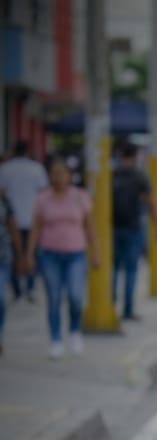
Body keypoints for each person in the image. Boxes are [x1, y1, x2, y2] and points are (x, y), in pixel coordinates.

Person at [26, 155, 100, 358]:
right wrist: (29, 254)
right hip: (50, 253)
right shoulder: (43, 198)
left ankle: (75, 331)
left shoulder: (79, 196)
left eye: (62, 173)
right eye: (54, 174)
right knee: (54, 297)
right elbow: (36, 228)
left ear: (70, 176)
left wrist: (96, 252)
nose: (58, 178)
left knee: (76, 296)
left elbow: (90, 226)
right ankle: (56, 339)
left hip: (76, 253)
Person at [111, 142, 157, 321]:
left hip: (112, 229)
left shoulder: (111, 173)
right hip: (133, 228)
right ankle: (127, 310)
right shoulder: (140, 176)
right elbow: (152, 203)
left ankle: (108, 305)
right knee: (131, 271)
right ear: (135, 156)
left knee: (113, 269)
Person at [0, 140, 49, 304]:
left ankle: (17, 290)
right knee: (31, 254)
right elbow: (44, 192)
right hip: (31, 218)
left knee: (13, 255)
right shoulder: (36, 169)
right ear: (28, 151)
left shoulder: (5, 169)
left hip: (11, 219)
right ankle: (30, 286)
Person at [0, 189, 24, 354]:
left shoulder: (5, 203)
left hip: (3, 257)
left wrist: (20, 255)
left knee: (0, 298)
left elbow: (14, 228)